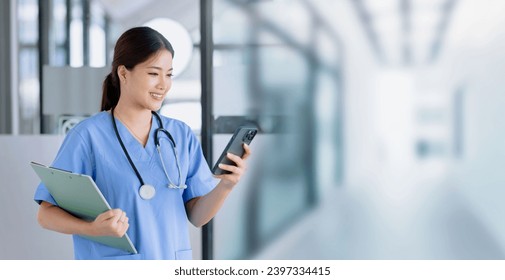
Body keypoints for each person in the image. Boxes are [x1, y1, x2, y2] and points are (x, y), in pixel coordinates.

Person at [34, 26, 251, 260]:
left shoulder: (180, 135)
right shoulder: (88, 136)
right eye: (153, 73)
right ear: (124, 73)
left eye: (168, 74)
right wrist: (92, 229)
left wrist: (227, 185)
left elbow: (197, 217)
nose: (163, 85)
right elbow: (46, 215)